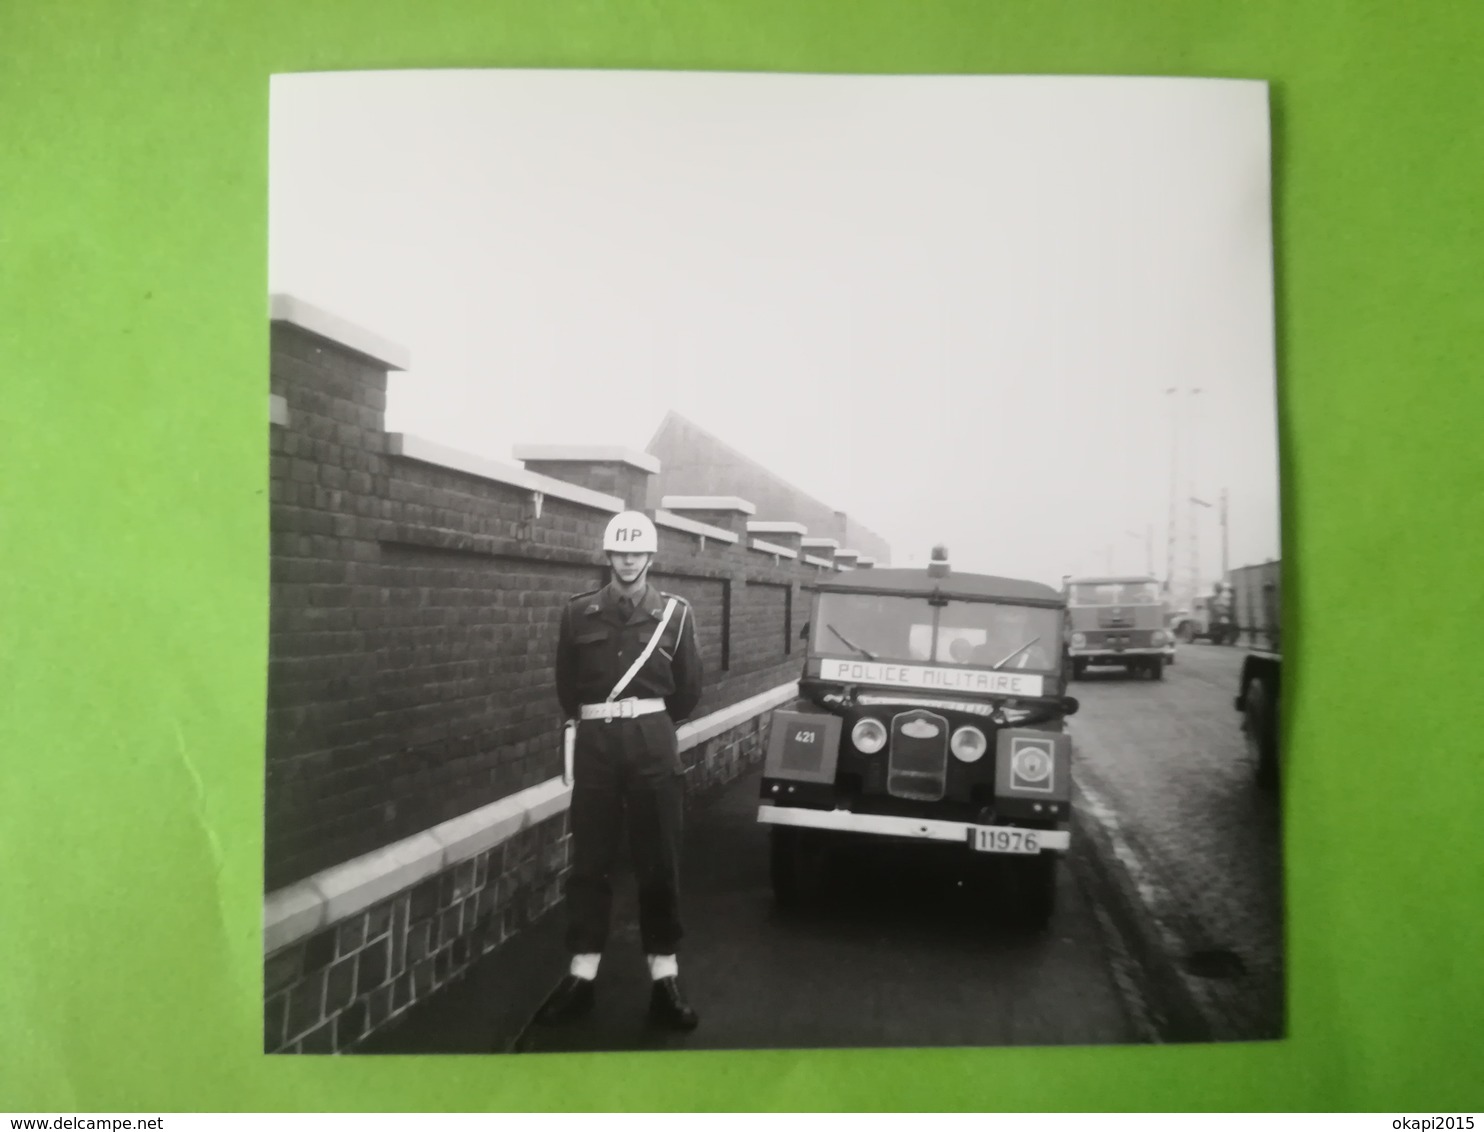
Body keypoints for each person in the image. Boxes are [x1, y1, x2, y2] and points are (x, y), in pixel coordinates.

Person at [535, 510, 704, 1031]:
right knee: (591, 861)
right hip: (596, 747)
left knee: (660, 860)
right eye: (619, 552)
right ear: (608, 556)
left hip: (653, 743)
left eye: (637, 552)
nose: (628, 560)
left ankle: (664, 977)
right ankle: (582, 974)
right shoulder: (577, 613)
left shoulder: (676, 614)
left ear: (650, 557)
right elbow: (568, 688)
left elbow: (688, 690)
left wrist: (645, 726)